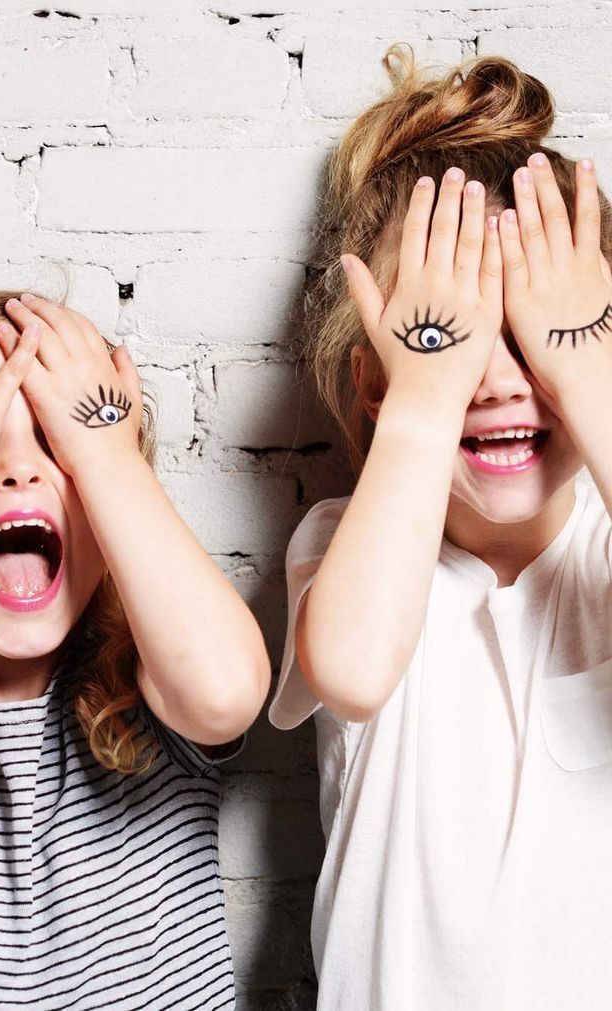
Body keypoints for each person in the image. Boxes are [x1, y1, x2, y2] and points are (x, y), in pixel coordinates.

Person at [270, 46, 612, 1009]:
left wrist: (587, 370)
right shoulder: (347, 540)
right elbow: (351, 666)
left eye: (538, 335)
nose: (500, 377)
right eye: (454, 339)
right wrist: (424, 399)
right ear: (371, 385)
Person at [0, 287, 270, 1009]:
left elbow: (224, 691)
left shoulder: (147, 673)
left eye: (55, 446)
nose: (19, 472)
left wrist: (104, 452)